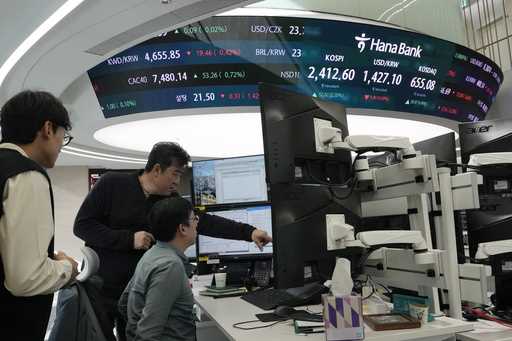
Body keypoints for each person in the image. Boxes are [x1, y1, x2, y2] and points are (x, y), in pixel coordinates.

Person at [74, 141, 271, 340]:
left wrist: (249, 232)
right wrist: (128, 239)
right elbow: (82, 226)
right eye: (175, 173)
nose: (178, 181)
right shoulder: (112, 183)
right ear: (157, 169)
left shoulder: (169, 200)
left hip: (142, 291)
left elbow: (204, 222)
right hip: (104, 288)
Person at [0, 90, 79, 340]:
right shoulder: (26, 175)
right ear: (47, 128)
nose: (60, 146)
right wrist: (66, 268)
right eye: (62, 136)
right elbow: (25, 279)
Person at [118, 197, 198, 341]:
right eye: (194, 219)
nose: (197, 223)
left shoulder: (151, 254)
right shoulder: (170, 266)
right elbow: (148, 334)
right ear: (182, 228)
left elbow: (124, 304)